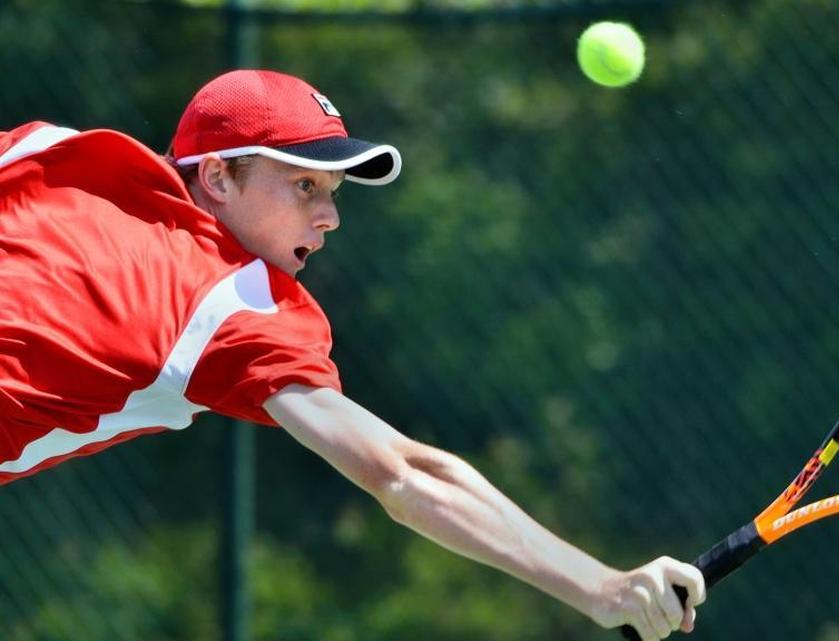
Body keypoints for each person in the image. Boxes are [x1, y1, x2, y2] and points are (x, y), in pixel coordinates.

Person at [0, 69, 705, 640]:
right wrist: (600, 584)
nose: (330, 215)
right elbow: (402, 473)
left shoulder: (57, 153)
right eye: (303, 184)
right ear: (216, 177)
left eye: (332, 192)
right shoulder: (234, 306)